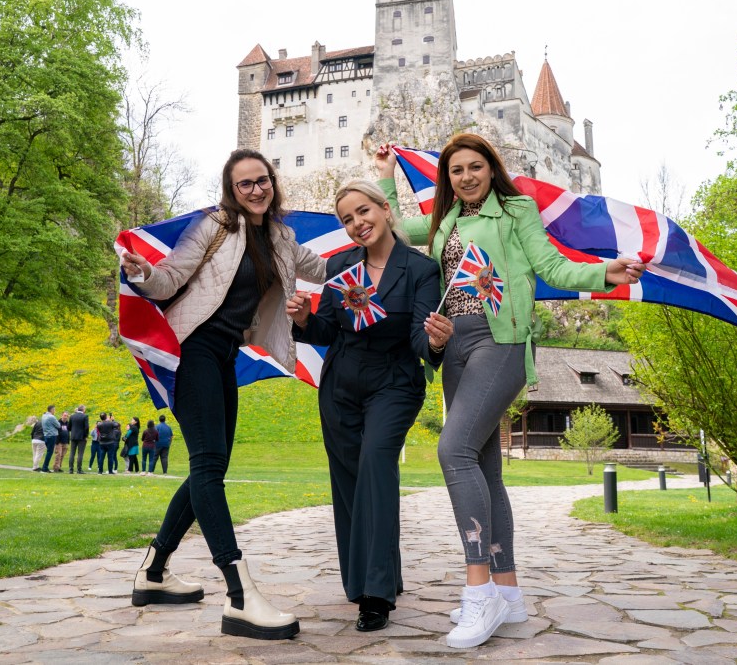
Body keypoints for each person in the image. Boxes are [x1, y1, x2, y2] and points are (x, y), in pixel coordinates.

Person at [375, 133, 645, 648]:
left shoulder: (516, 211)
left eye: (475, 167)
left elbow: (550, 267)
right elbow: (392, 225)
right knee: (485, 467)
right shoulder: (443, 222)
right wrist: (387, 173)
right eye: (456, 171)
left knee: (453, 451)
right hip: (455, 346)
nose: (466, 177)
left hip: (501, 341)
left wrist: (603, 273)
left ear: (490, 169)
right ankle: (509, 592)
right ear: (446, 179)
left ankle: (480, 595)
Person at [120, 148, 326, 640]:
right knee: (209, 465)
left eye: (262, 180)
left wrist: (375, 239)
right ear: (231, 191)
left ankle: (153, 573)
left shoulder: (281, 237)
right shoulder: (215, 227)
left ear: (272, 182)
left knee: (210, 467)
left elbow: (321, 270)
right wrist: (141, 273)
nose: (256, 190)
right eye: (244, 184)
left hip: (224, 356)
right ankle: (240, 595)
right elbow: (170, 277)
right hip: (193, 349)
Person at [286, 180, 453, 633]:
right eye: (347, 219)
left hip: (394, 384)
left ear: (384, 208)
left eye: (363, 212)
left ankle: (376, 595)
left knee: (378, 465)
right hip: (341, 383)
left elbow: (419, 338)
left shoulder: (420, 269)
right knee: (349, 482)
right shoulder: (339, 266)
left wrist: (435, 341)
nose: (357, 223)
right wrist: (303, 320)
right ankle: (368, 578)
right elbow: (327, 330)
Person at [69, 405, 90, 474]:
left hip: (73, 436)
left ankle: (71, 469)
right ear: (83, 410)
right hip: (81, 437)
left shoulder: (72, 416)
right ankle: (79, 469)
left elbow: (69, 427)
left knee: (72, 453)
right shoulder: (85, 416)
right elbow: (86, 427)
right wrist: (86, 435)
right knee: (80, 453)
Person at [39, 405, 60, 473]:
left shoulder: (43, 416)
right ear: (51, 410)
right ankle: (45, 467)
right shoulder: (51, 417)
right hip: (52, 435)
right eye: (54, 410)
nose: (55, 411)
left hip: (46, 435)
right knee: (50, 452)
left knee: (48, 451)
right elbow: (58, 425)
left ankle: (45, 466)